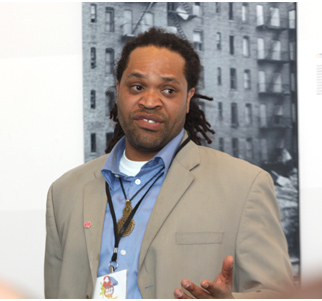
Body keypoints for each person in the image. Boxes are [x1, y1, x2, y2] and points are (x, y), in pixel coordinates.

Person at [44, 27, 294, 299]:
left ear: (188, 99)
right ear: (118, 91)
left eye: (168, 89)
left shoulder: (245, 186)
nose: (150, 101)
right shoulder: (64, 192)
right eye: (137, 87)